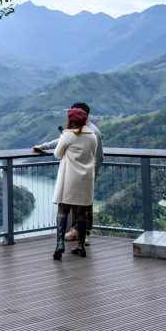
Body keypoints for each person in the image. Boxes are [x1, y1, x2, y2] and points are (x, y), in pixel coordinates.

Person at [33, 107, 98, 259]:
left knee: (63, 210)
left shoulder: (68, 135)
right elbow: (92, 154)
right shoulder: (92, 136)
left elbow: (57, 154)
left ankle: (60, 244)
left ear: (71, 120)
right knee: (81, 213)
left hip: (69, 177)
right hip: (86, 178)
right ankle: (81, 247)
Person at [64, 102, 102, 245]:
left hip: (87, 174)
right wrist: (43, 146)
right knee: (75, 202)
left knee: (86, 205)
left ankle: (85, 233)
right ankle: (75, 230)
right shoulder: (77, 129)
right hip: (75, 173)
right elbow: (63, 140)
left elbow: (99, 156)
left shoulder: (93, 131)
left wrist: (93, 174)